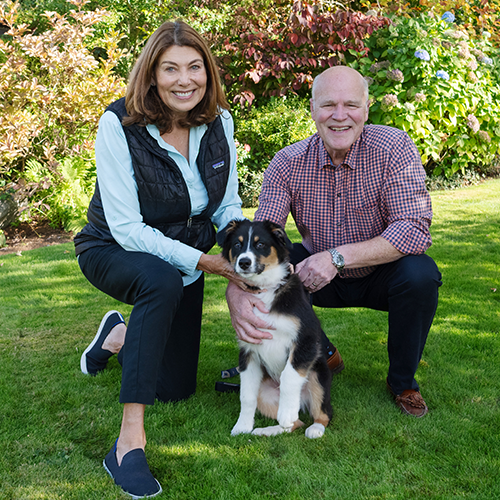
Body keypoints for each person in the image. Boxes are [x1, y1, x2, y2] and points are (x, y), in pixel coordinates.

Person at [74, 20, 248, 498]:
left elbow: (226, 205)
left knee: (174, 388)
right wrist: (205, 262)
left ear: (208, 74)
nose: (184, 79)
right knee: (161, 283)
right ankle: (128, 444)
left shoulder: (220, 123)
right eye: (170, 68)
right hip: (113, 248)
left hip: (182, 257)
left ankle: (116, 337)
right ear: (151, 75)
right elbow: (128, 228)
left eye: (195, 67)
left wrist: (239, 250)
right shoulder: (117, 125)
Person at [226, 65, 442, 419]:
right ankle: (314, 352)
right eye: (328, 105)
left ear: (367, 108)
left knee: (421, 274)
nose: (339, 116)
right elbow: (262, 235)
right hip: (313, 274)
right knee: (278, 263)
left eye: (351, 105)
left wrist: (337, 257)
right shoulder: (287, 162)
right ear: (312, 110)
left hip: (381, 272)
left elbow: (415, 228)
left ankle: (403, 383)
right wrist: (236, 289)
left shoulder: (394, 147)